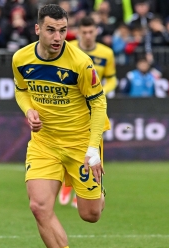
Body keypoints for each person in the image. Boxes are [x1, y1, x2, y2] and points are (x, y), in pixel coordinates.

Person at [11, 4, 107, 248]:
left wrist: (93, 149)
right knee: (39, 206)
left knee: (90, 215)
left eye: (63, 30)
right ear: (38, 29)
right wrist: (28, 111)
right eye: (51, 30)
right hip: (45, 143)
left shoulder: (80, 62)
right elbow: (21, 89)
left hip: (80, 144)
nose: (57, 36)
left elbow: (99, 103)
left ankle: (99, 190)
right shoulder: (20, 58)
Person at [61, 15, 116, 208]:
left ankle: (85, 192)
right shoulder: (68, 48)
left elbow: (112, 79)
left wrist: (101, 93)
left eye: (91, 31)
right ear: (78, 32)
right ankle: (68, 183)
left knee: (94, 151)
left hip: (94, 109)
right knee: (68, 148)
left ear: (96, 31)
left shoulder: (106, 53)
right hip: (72, 109)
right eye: (84, 32)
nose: (87, 35)